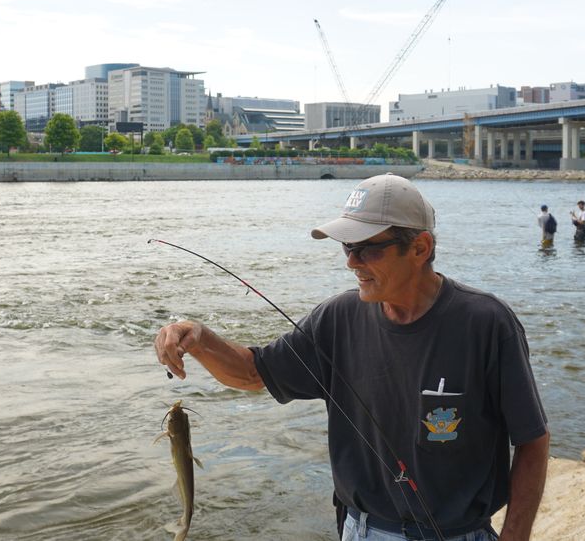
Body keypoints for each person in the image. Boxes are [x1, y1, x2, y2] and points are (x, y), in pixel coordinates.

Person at [155, 174, 549, 541]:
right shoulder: (336, 318)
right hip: (360, 529)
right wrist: (200, 339)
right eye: (347, 247)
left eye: (367, 249)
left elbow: (532, 440)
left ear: (419, 247)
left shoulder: (487, 323)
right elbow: (252, 373)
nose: (351, 262)